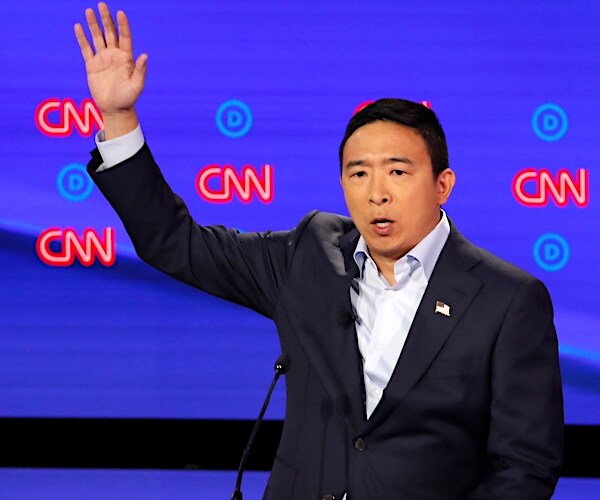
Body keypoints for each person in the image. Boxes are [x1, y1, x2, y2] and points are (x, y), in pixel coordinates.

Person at [75, 3, 564, 499]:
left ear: (442, 185)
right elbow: (176, 243)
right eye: (358, 173)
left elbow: (524, 466)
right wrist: (119, 117)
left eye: (397, 171)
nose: (377, 192)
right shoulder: (311, 255)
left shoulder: (507, 299)